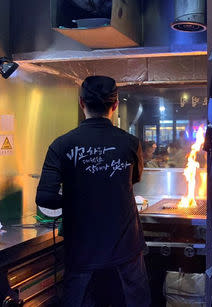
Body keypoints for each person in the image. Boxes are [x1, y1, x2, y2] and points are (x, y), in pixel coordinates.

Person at [36, 76, 151, 307]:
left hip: (82, 254)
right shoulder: (130, 143)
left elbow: (45, 198)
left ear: (81, 103)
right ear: (115, 105)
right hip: (125, 254)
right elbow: (135, 178)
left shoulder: (62, 145)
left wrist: (80, 199)